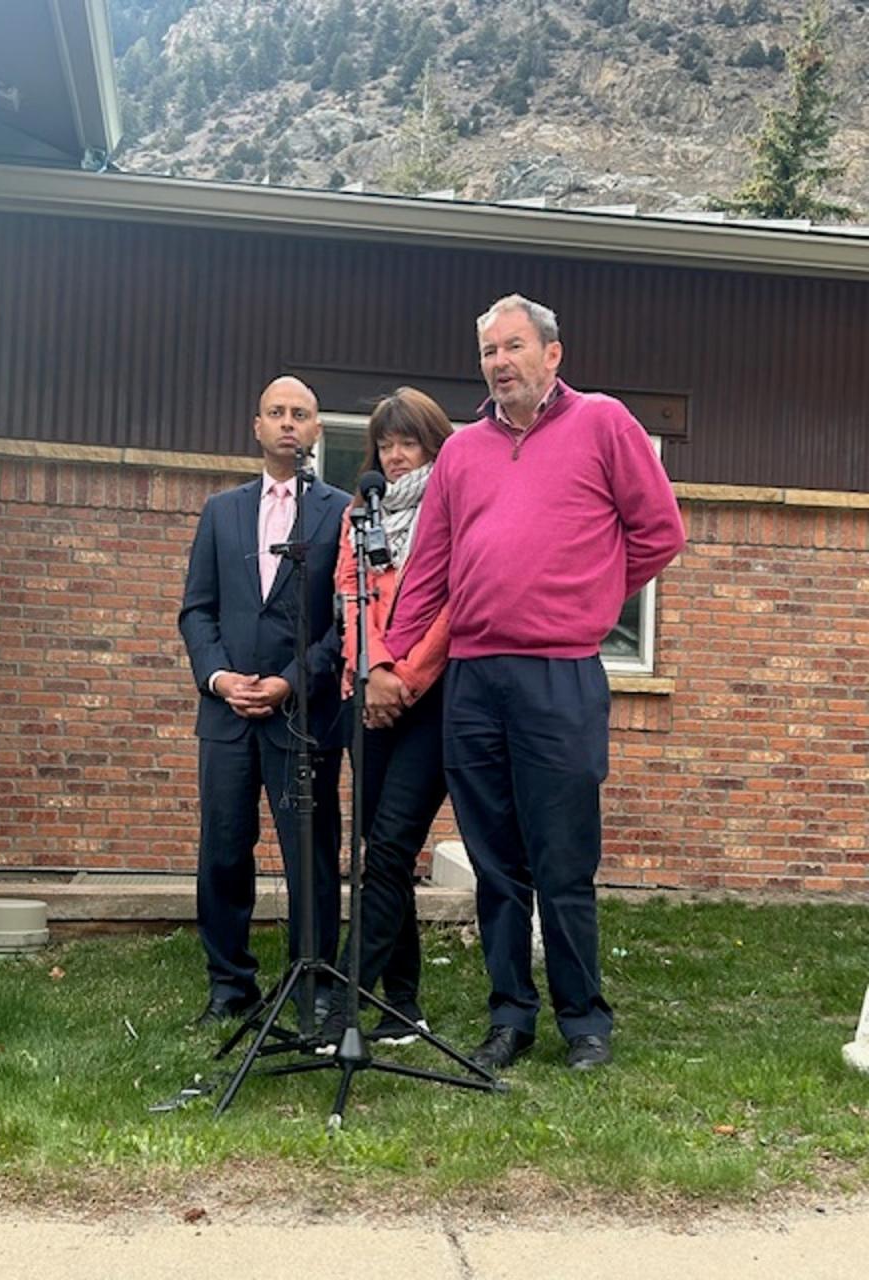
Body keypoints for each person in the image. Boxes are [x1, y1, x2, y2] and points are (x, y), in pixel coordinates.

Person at [384, 294, 686, 1072]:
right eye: (489, 351)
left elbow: (660, 532)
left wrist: (587, 594)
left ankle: (584, 1022)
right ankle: (510, 1016)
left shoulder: (604, 424)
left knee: (563, 857)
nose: (500, 362)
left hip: (560, 676)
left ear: (553, 353)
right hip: (475, 680)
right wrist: (387, 654)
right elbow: (430, 570)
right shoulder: (461, 453)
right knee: (495, 861)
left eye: (513, 346)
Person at [179, 376, 351, 1025]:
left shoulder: (339, 512)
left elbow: (344, 622)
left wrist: (290, 680)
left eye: (299, 414)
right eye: (276, 412)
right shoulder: (221, 512)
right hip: (225, 716)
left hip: (302, 718)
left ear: (314, 430)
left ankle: (316, 982)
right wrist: (221, 679)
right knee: (223, 848)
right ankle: (229, 985)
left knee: (310, 852)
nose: (287, 423)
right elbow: (197, 611)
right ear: (257, 426)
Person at [319, 388, 453, 1049]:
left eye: (410, 442)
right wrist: (367, 677)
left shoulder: (454, 510)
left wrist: (403, 678)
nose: (396, 455)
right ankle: (403, 1006)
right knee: (379, 856)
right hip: (362, 700)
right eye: (387, 443)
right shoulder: (357, 516)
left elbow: (455, 609)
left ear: (433, 444)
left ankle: (344, 1006)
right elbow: (351, 603)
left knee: (392, 849)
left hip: (429, 703)